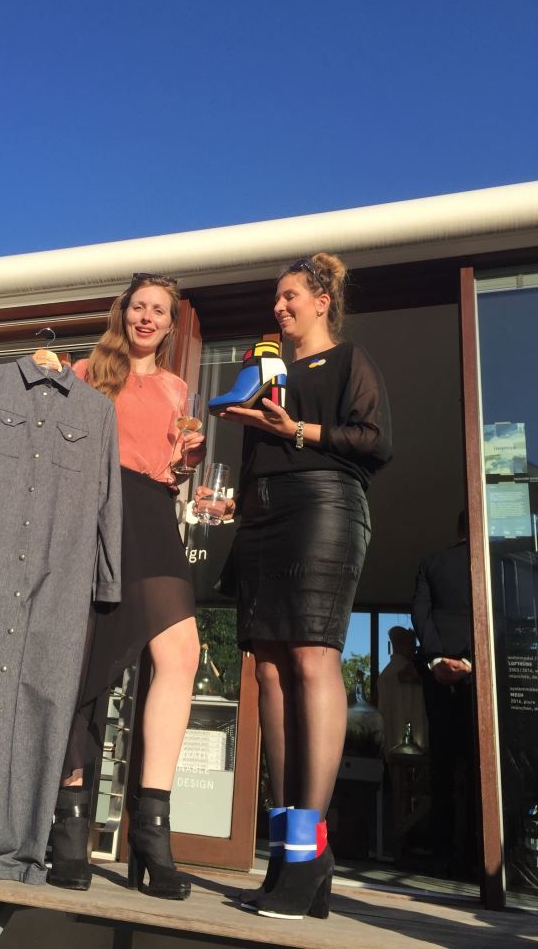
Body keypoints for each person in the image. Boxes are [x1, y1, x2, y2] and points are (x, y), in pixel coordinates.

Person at [207, 253, 392, 919]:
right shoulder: (267, 375)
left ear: (322, 300)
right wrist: (229, 503)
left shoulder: (350, 361)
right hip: (263, 518)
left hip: (325, 508)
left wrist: (300, 431)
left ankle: (310, 852)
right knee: (268, 673)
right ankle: (289, 855)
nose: (279, 307)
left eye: (290, 296)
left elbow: (375, 441)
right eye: (276, 298)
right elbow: (261, 457)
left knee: (312, 659)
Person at [48, 273, 205, 900]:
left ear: (169, 325)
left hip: (153, 511)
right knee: (85, 657)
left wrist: (188, 458)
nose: (147, 317)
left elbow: (171, 467)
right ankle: (69, 826)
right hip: (92, 509)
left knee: (181, 652)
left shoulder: (177, 387)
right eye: (139, 306)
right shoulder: (87, 372)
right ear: (124, 312)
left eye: (158, 311)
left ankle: (152, 830)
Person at [411, 512, 475, 876]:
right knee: (479, 766)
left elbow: (420, 612)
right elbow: (497, 614)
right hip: (476, 679)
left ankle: (441, 848)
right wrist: (469, 661)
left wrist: (436, 659)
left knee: (442, 764)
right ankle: (474, 851)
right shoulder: (491, 564)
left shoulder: (432, 563)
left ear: (457, 530)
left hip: (437, 679)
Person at [377, 626, 427, 754]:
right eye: (411, 645)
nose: (414, 649)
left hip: (392, 740)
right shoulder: (409, 671)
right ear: (399, 645)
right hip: (415, 742)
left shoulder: (386, 675)